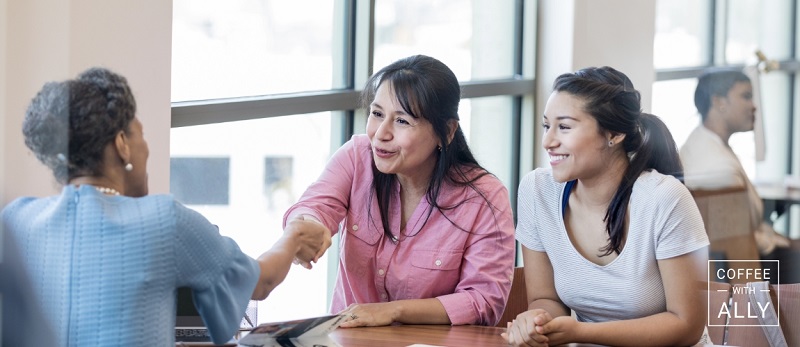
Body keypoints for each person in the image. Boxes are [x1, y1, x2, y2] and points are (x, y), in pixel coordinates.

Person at [1, 67, 331, 346]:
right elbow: (261, 281)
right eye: (140, 134)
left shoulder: (14, 219)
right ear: (122, 145)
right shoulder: (164, 219)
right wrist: (294, 237)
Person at [282, 55, 516, 327]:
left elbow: (483, 301)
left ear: (447, 131)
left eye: (402, 121)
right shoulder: (358, 157)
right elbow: (315, 206)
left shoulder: (484, 197)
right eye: (377, 114)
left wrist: (394, 311)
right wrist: (307, 227)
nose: (381, 133)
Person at [507, 66, 709, 346]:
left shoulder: (664, 198)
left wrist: (580, 333)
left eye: (564, 127)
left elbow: (687, 325)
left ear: (613, 134)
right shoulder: (537, 190)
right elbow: (546, 298)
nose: (548, 141)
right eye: (546, 126)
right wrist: (537, 320)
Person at [680, 70, 797, 281]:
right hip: (751, 267)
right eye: (745, 96)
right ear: (718, 102)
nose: (754, 105)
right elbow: (739, 240)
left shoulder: (703, 145)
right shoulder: (718, 167)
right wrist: (788, 244)